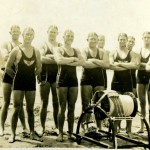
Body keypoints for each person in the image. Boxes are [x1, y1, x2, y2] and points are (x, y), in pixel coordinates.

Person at [5, 27, 42, 143]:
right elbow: (7, 67)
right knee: (16, 108)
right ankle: (13, 134)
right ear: (23, 35)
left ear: (33, 36)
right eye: (27, 34)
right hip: (18, 82)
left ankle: (32, 132)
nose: (29, 36)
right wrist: (16, 76)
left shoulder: (36, 51)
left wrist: (32, 76)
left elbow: (39, 68)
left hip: (30, 82)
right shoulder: (16, 50)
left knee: (30, 109)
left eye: (31, 34)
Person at [54, 29, 84, 142]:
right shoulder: (58, 49)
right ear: (63, 37)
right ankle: (61, 133)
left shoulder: (76, 50)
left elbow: (82, 62)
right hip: (62, 80)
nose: (70, 38)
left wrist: (70, 60)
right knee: (62, 107)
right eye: (68, 36)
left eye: (72, 36)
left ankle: (70, 133)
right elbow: (59, 60)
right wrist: (73, 59)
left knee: (71, 108)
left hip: (73, 81)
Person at [109, 33, 140, 138]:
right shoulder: (113, 52)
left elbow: (133, 65)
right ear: (118, 40)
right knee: (116, 105)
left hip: (128, 81)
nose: (122, 41)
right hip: (116, 82)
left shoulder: (132, 53)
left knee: (130, 105)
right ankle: (115, 129)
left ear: (127, 41)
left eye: (124, 39)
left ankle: (129, 130)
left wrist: (119, 64)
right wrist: (125, 66)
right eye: (120, 39)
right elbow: (111, 66)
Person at [0, 25, 27, 136]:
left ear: (20, 32)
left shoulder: (22, 45)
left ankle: (25, 127)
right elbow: (5, 56)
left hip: (20, 75)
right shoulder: (6, 43)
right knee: (6, 102)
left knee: (19, 103)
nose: (15, 33)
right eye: (13, 31)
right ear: (10, 32)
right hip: (8, 74)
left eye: (17, 31)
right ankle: (1, 128)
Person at [80, 32, 110, 131]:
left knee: (99, 105)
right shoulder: (84, 50)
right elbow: (84, 64)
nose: (93, 41)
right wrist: (99, 63)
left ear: (97, 41)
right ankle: (84, 127)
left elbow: (106, 65)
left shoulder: (102, 52)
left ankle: (99, 127)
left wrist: (93, 60)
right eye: (91, 39)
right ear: (87, 40)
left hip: (99, 79)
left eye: (95, 39)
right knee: (86, 105)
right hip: (86, 79)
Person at [39, 25, 61, 136]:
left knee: (56, 103)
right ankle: (42, 127)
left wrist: (50, 58)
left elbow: (61, 61)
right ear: (47, 32)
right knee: (44, 103)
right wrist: (55, 58)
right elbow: (41, 58)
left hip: (57, 77)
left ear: (57, 33)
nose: (52, 34)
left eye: (54, 32)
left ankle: (57, 127)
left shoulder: (60, 45)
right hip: (45, 76)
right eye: (50, 32)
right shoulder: (43, 44)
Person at [137, 32, 150, 133]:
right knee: (142, 103)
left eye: (148, 37)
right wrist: (145, 64)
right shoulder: (139, 50)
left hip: (149, 77)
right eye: (145, 37)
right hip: (140, 77)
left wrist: (142, 65)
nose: (146, 39)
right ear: (142, 38)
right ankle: (142, 127)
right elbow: (136, 65)